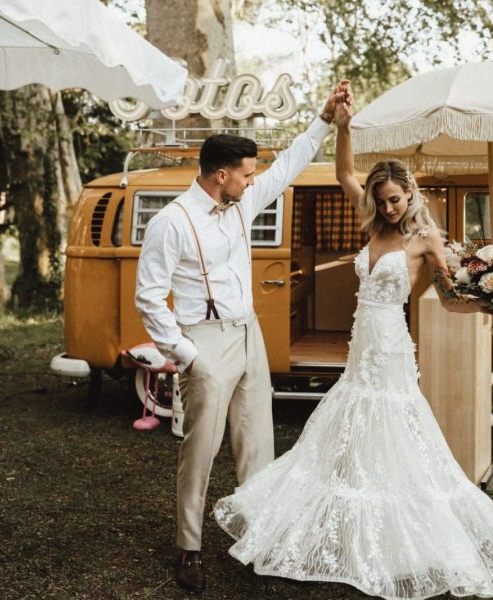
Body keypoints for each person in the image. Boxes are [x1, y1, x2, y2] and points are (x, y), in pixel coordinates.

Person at [214, 84, 493, 599]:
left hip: (391, 346)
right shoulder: (372, 222)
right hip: (361, 344)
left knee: (392, 430)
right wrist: (344, 126)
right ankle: (351, 531)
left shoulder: (426, 239)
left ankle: (401, 539)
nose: (389, 207)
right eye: (382, 200)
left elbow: (451, 297)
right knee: (349, 433)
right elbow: (345, 174)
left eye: (395, 199)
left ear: (410, 194)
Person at [134, 82, 348, 595]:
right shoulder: (171, 223)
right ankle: (189, 547)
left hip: (248, 334)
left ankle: (260, 539)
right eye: (246, 174)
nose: (253, 181)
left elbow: (288, 165)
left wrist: (323, 119)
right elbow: (148, 298)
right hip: (203, 342)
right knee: (201, 450)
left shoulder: (240, 204)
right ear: (221, 175)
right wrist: (188, 357)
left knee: (257, 442)